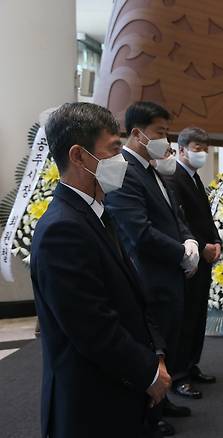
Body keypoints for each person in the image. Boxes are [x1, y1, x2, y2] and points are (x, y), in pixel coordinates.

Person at [30, 102, 171, 438]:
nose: (121, 160)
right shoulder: (61, 229)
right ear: (79, 156)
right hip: (90, 404)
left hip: (117, 390)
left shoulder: (95, 211)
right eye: (114, 149)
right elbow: (92, 328)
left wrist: (156, 356)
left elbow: (130, 296)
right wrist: (148, 373)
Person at [104, 101, 200, 437]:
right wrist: (180, 253)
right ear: (136, 133)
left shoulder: (154, 169)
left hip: (169, 275)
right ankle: (147, 416)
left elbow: (176, 218)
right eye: (160, 132)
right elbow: (138, 232)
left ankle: (163, 401)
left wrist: (189, 243)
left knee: (169, 343)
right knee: (150, 351)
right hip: (149, 278)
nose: (165, 139)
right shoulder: (120, 171)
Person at [163, 127, 221, 399]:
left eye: (204, 148)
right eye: (197, 147)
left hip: (204, 256)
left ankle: (191, 364)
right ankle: (179, 375)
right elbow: (180, 223)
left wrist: (216, 241)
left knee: (198, 316)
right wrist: (202, 246)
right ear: (182, 149)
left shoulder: (195, 178)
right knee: (184, 320)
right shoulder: (174, 177)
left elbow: (204, 218)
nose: (202, 153)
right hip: (189, 259)